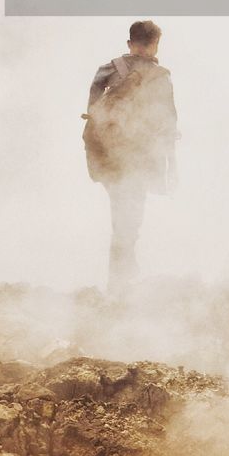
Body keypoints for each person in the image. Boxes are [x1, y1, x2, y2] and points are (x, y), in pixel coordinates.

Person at [82, 19, 178, 291]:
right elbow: (168, 125)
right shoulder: (160, 77)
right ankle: (120, 282)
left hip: (107, 157)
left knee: (121, 215)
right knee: (130, 220)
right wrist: (172, 168)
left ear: (129, 43)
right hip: (139, 159)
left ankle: (122, 276)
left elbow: (92, 111)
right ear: (155, 44)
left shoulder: (107, 70)